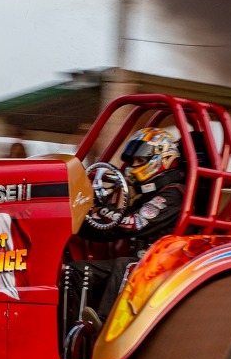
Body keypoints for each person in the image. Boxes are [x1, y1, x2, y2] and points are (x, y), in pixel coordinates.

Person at [72, 127, 186, 322]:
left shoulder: (172, 194)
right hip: (142, 262)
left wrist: (102, 206)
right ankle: (70, 332)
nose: (133, 166)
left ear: (163, 159)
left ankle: (102, 329)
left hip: (163, 266)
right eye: (132, 161)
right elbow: (113, 230)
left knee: (124, 265)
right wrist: (78, 225)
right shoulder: (149, 195)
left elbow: (133, 223)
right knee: (76, 270)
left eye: (139, 161)